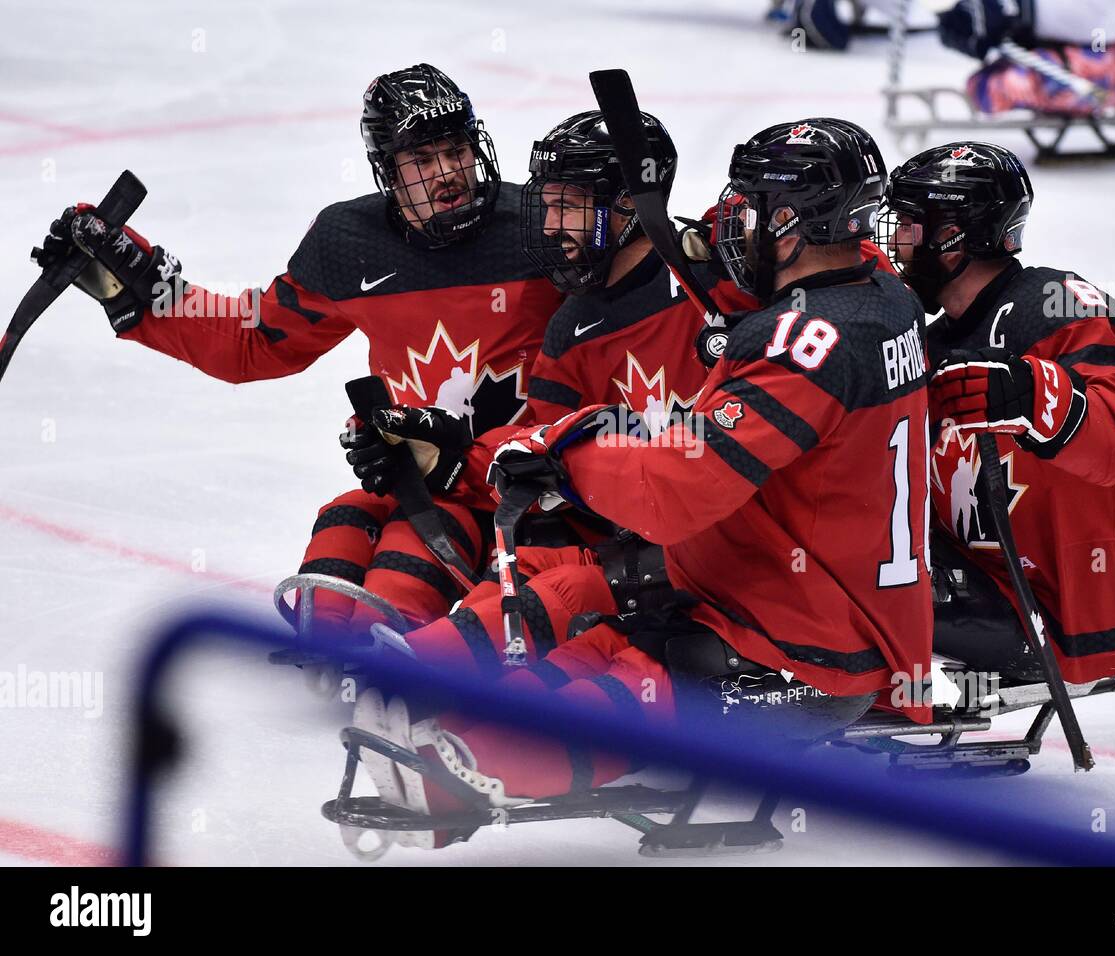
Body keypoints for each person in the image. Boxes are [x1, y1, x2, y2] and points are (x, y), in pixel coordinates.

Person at [352, 118, 931, 843]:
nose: (729, 226)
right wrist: (488, 452)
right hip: (786, 592)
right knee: (582, 589)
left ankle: (472, 767)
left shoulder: (811, 342)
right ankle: (433, 684)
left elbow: (674, 491)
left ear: (791, 223)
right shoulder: (879, 294)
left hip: (807, 652)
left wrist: (566, 449)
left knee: (628, 677)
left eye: (747, 210)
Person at [32, 64, 565, 631]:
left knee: (402, 577)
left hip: (527, 485)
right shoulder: (351, 245)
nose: (449, 172)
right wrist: (145, 291)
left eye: (456, 150)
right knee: (343, 536)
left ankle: (414, 661)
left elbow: (623, 318)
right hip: (420, 478)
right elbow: (252, 340)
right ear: (387, 169)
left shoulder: (541, 228)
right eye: (423, 160)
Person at [880, 140, 1115, 684]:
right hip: (973, 572)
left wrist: (1034, 396)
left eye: (911, 226)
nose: (898, 243)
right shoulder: (926, 336)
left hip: (1047, 608)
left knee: (859, 580)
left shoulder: (1059, 305)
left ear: (956, 234)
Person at [936, 0, 1115, 115]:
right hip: (1094, 40)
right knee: (987, 82)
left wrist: (1020, 11)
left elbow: (1112, 18)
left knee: (996, 86)